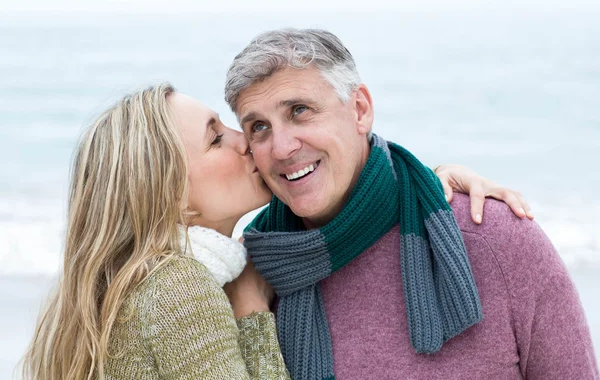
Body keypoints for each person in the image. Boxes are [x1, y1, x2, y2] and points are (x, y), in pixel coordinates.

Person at [20, 83, 523, 380]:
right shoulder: (179, 288)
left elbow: (334, 198)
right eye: (217, 137)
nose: (246, 143)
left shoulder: (141, 287)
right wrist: (252, 311)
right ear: (172, 194)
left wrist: (423, 186)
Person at [225, 29, 599, 379]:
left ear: (359, 109)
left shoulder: (495, 239)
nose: (282, 147)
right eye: (259, 127)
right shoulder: (251, 280)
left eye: (300, 111)